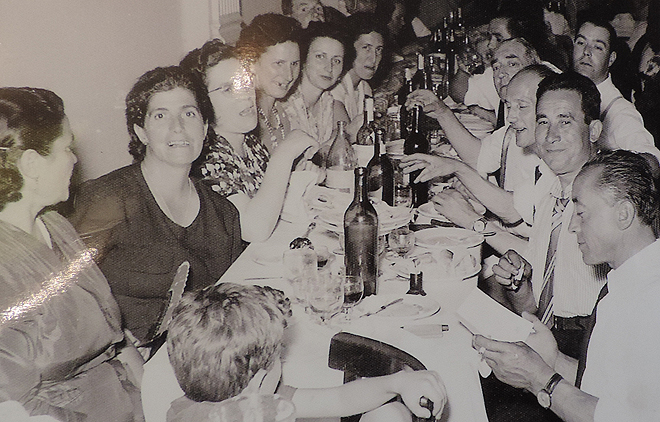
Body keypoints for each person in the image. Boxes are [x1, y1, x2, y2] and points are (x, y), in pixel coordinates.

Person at [474, 149, 660, 421]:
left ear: (624, 214)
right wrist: (554, 359)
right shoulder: (627, 281)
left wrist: (541, 380)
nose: (572, 226)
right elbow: (609, 389)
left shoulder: (651, 302)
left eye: (582, 213)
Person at [70, 67, 245, 346]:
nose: (178, 127)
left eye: (189, 113)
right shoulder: (108, 198)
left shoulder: (223, 214)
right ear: (142, 132)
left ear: (204, 127)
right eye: (160, 115)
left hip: (201, 355)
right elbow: (67, 296)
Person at [0, 87, 144, 421]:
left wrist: (152, 393)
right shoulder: (5, 274)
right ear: (32, 164)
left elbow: (115, 340)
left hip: (125, 397)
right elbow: (17, 408)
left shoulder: (55, 225)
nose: (75, 159)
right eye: (67, 147)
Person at [166, 282, 447, 421]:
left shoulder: (191, 408)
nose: (284, 353)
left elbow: (337, 400)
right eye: (279, 352)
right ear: (261, 379)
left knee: (390, 414)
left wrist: (396, 381)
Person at [401, 65, 556, 255]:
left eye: (522, 106)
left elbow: (514, 210)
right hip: (507, 245)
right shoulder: (513, 134)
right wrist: (442, 112)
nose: (511, 116)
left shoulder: (559, 162)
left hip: (522, 254)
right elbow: (479, 157)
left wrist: (458, 170)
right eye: (508, 106)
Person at [180, 40, 318, 242]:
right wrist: (284, 155)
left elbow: (268, 203)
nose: (245, 95)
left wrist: (296, 177)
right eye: (228, 89)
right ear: (202, 103)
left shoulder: (249, 143)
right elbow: (254, 229)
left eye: (245, 82)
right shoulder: (206, 160)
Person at [572, 17, 659, 161]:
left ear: (611, 59)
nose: (586, 51)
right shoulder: (562, 89)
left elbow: (653, 161)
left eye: (598, 47)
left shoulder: (619, 112)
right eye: (581, 43)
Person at [280, 21, 351, 153]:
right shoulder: (286, 105)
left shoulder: (327, 101)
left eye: (336, 61)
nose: (329, 68)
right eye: (320, 57)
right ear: (304, 60)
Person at [236, 14, 302, 153]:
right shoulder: (246, 119)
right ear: (252, 62)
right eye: (279, 63)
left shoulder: (279, 112)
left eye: (294, 64)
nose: (289, 75)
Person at [331, 12, 386, 140]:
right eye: (366, 48)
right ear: (349, 48)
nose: (373, 59)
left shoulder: (364, 86)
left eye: (378, 50)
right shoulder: (334, 88)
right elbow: (344, 141)